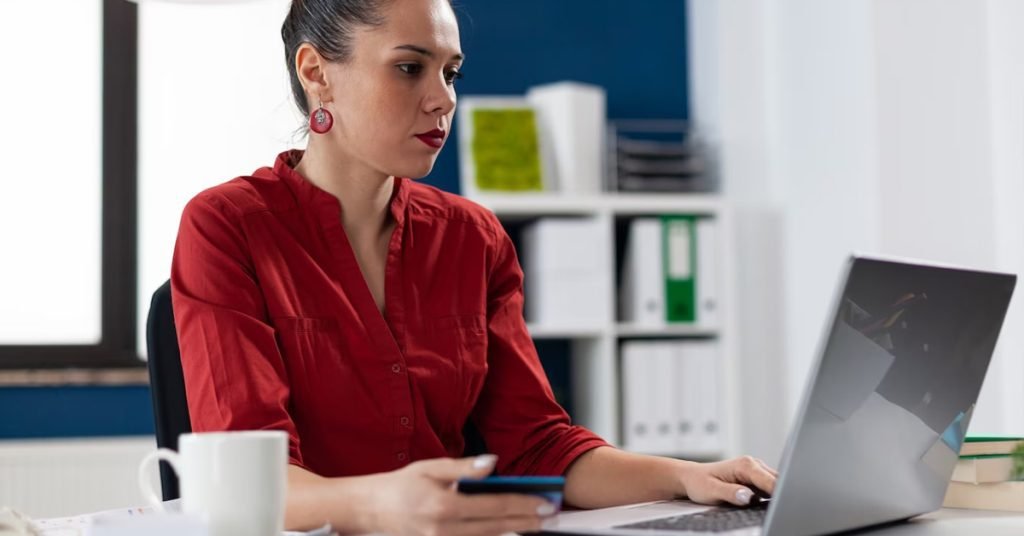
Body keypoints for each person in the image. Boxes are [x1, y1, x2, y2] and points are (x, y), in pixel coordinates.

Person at [170, 0, 778, 534]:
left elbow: (537, 446)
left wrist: (685, 476)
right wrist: (382, 506)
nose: (444, 99)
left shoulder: (473, 237)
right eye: (410, 68)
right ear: (317, 74)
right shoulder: (226, 226)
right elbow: (246, 481)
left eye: (451, 72)